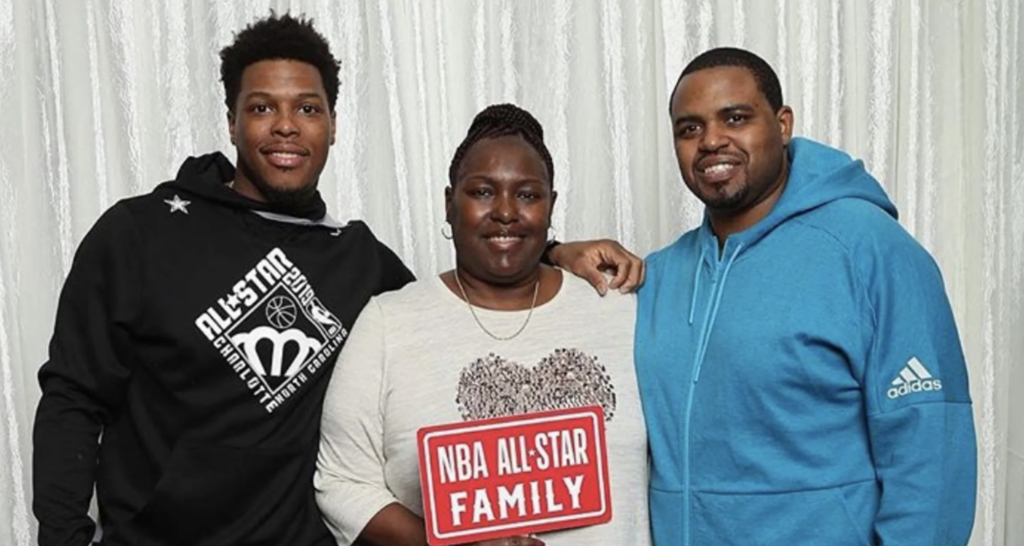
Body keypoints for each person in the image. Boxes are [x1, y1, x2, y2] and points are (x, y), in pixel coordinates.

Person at [32, 14, 642, 546]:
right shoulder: (141, 234)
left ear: (333, 122)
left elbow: (470, 284)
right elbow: (71, 401)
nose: (286, 126)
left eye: (307, 108)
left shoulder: (357, 261)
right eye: (262, 106)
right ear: (231, 119)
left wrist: (554, 252)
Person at [635, 47, 977, 545]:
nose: (710, 140)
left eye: (735, 118)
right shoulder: (661, 275)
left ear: (783, 123)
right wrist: (557, 251)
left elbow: (932, 454)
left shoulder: (869, 249)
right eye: (689, 129)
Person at [315, 104, 651, 546]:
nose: (506, 212)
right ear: (449, 203)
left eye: (528, 194)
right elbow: (340, 482)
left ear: (551, 207)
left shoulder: (620, 309)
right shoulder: (388, 323)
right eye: (483, 193)